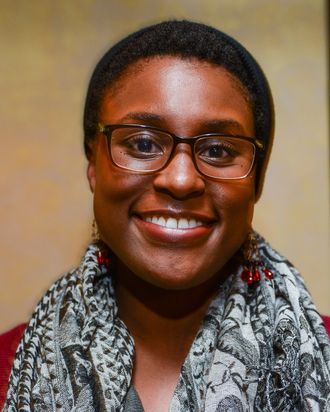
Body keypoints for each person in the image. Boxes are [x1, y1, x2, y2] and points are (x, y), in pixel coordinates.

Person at [1, 20, 330, 411]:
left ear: (257, 179)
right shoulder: (8, 367)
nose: (180, 179)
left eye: (219, 150)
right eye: (142, 142)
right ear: (93, 164)